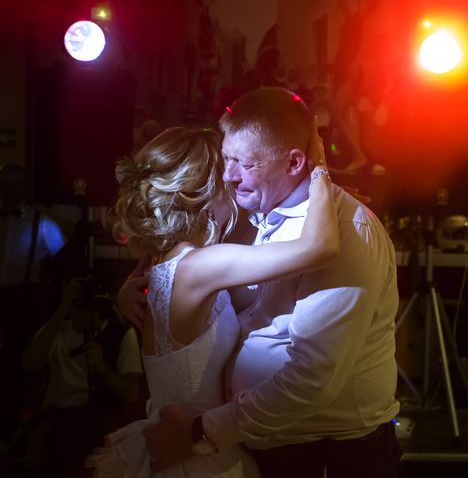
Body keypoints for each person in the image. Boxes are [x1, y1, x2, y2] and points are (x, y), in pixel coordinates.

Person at [120, 88, 402, 478]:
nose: (230, 177)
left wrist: (204, 431)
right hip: (252, 446)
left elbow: (312, 379)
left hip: (328, 454)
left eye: (243, 163)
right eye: (226, 161)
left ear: (294, 163)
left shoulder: (342, 232)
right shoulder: (248, 222)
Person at [88, 125, 338, 477]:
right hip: (194, 457)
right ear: (208, 190)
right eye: (228, 171)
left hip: (189, 443)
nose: (236, 179)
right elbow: (320, 247)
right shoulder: (199, 267)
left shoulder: (169, 262)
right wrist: (320, 171)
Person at [17, 273, 143, 477]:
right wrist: (63, 308)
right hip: (57, 420)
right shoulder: (56, 332)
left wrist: (103, 369)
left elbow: (130, 393)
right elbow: (29, 365)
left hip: (101, 420)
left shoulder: (121, 334)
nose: (84, 312)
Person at [0, 163, 68, 441]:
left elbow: (66, 257)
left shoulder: (43, 223)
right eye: (6, 183)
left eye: (16, 184)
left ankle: (13, 428)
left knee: (19, 364)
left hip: (23, 301)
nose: (10, 189)